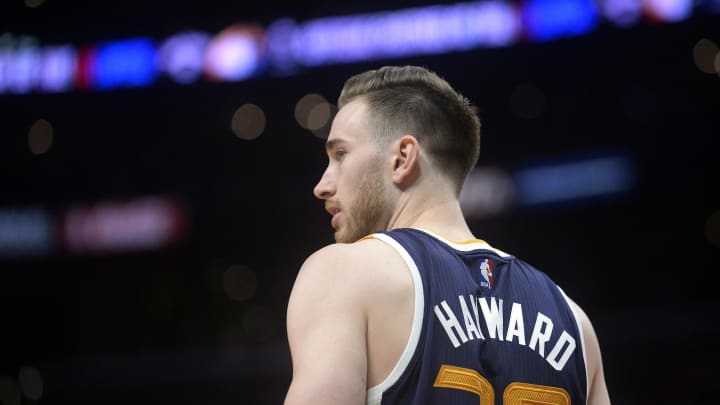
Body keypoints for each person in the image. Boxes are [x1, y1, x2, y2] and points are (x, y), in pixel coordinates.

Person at [284, 65, 610, 405]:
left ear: (402, 158)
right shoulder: (575, 323)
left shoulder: (344, 274)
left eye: (340, 154)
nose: (322, 185)